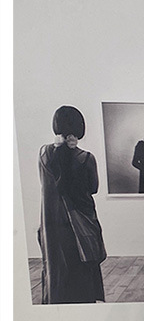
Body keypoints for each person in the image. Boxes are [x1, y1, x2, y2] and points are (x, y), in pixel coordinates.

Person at [37, 106, 107, 304]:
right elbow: (93, 188)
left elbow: (48, 185)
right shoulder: (86, 158)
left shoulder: (44, 154)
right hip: (80, 223)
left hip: (52, 224)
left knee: (56, 267)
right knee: (82, 270)